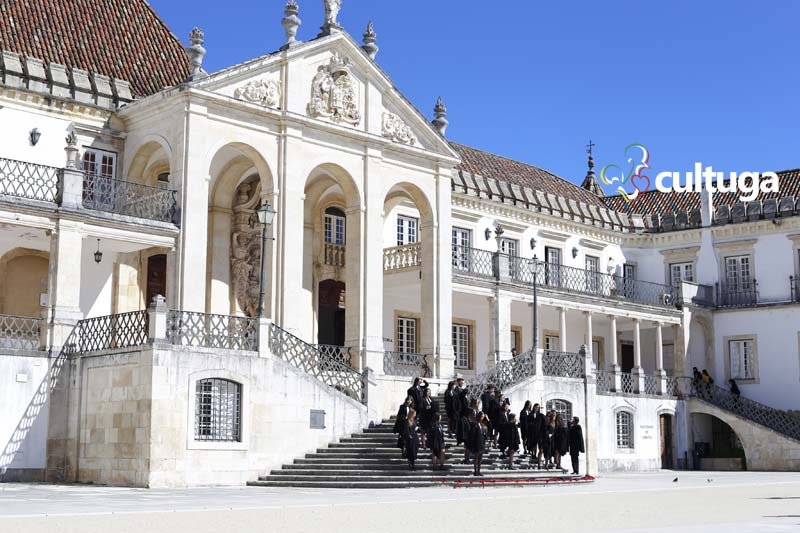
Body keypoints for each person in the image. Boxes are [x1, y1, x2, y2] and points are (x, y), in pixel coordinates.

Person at [468, 411, 487, 476]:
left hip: (481, 444)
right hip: (476, 444)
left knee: (480, 459)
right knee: (476, 458)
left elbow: (485, 434)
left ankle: (479, 471)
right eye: (482, 416)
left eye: (483, 417)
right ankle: (475, 471)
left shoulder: (482, 425)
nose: (483, 418)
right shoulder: (474, 424)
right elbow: (472, 435)